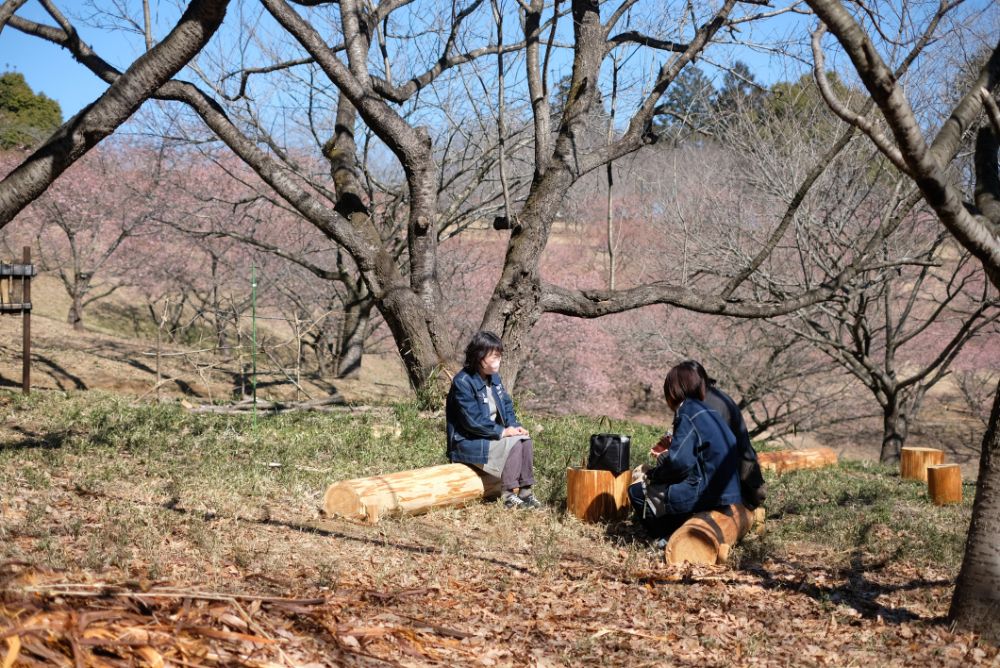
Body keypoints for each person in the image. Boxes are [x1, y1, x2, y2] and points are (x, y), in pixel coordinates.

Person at [628, 362, 742, 537]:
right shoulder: (708, 410)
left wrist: (654, 475)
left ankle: (665, 538)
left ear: (673, 390)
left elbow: (679, 463)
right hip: (728, 492)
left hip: (707, 493)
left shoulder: (687, 412)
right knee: (667, 486)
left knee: (636, 491)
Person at [446, 331, 543, 509]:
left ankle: (526, 492)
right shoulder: (463, 382)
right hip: (467, 441)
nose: (498, 361)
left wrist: (515, 427)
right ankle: (507, 495)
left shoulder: (495, 378)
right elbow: (472, 421)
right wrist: (503, 432)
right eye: (494, 357)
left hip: (489, 437)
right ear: (479, 357)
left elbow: (506, 406)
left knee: (524, 440)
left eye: (499, 356)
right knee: (512, 443)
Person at [684, 360, 767, 509]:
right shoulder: (720, 397)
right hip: (749, 480)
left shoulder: (703, 405)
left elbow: (700, 454)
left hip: (733, 489)